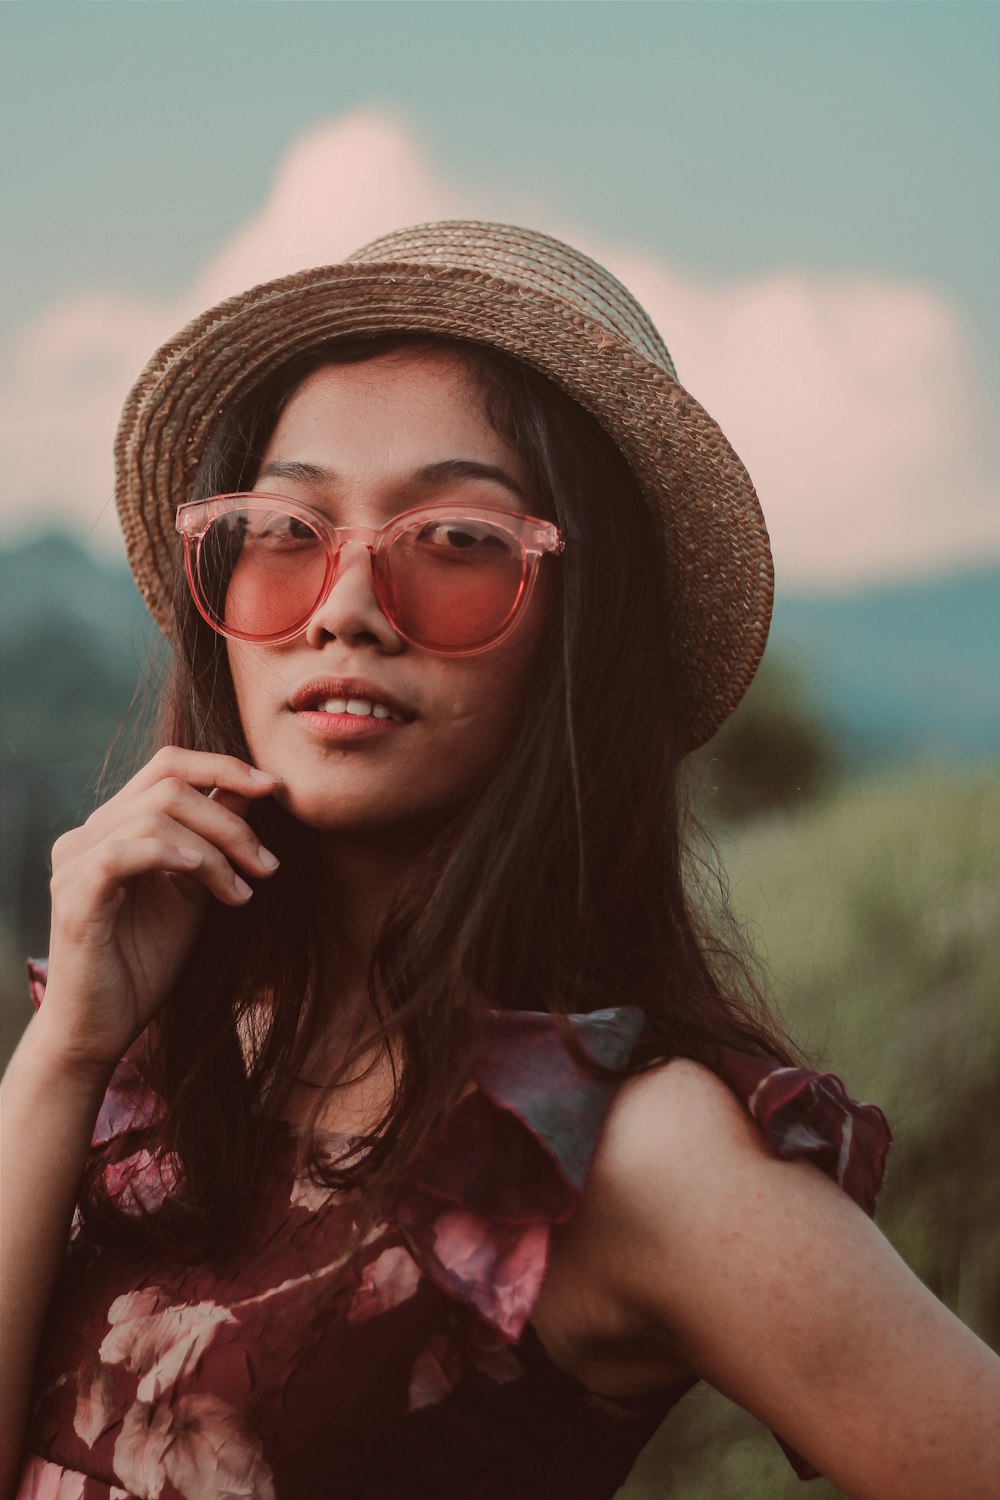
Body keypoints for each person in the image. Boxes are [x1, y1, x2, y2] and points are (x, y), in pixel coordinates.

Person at [1, 222, 997, 1500]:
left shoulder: (622, 1156)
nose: (346, 604)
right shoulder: (171, 1067)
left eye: (459, 540)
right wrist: (69, 1052)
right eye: (285, 526)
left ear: (582, 638)